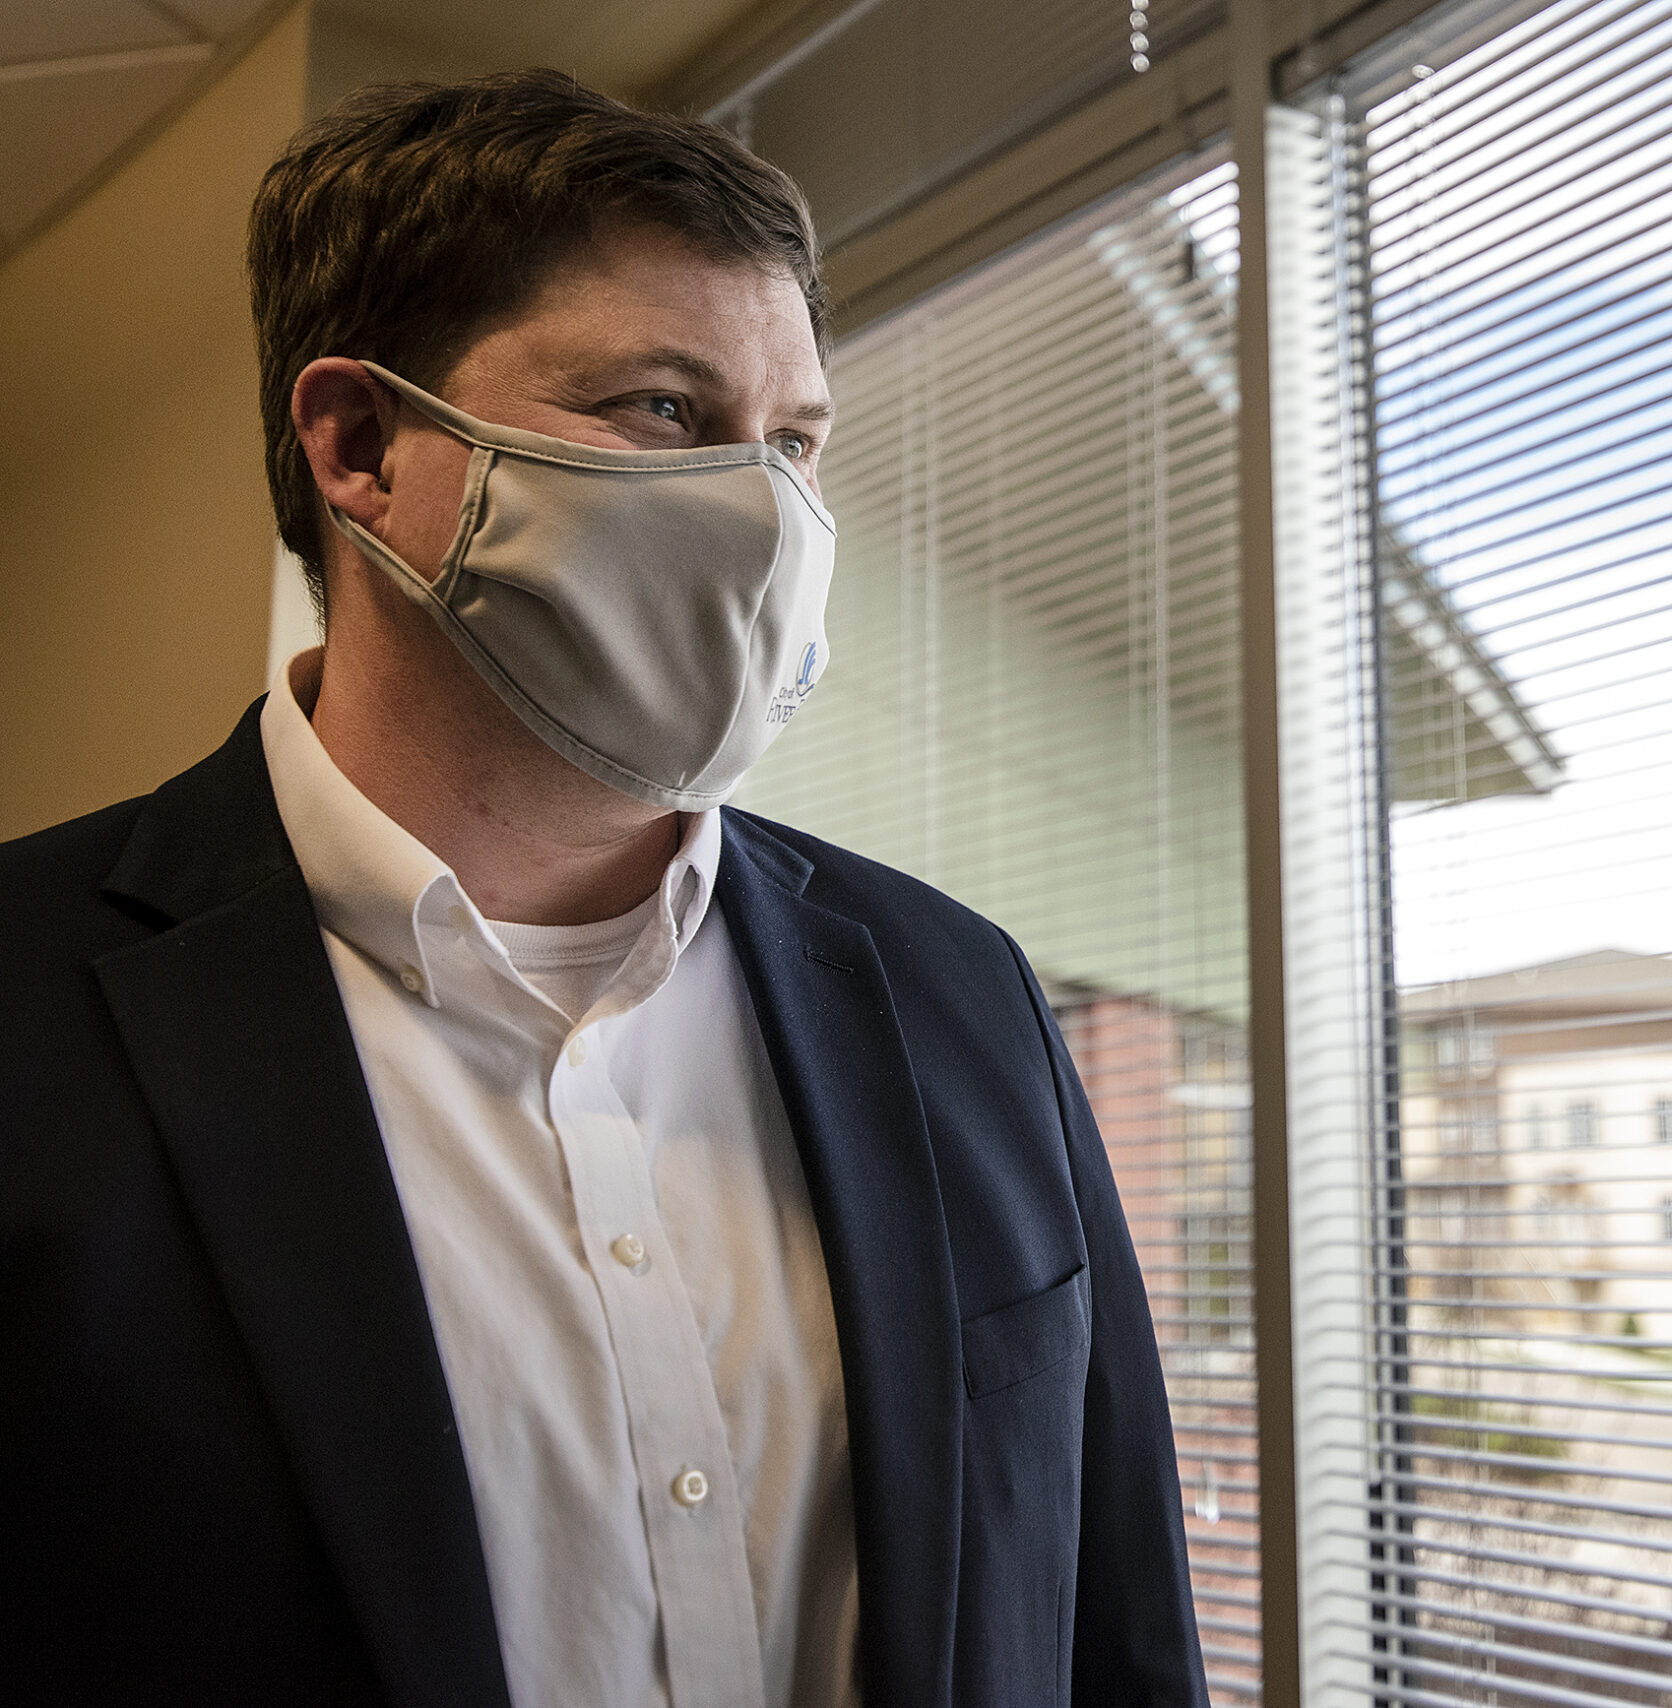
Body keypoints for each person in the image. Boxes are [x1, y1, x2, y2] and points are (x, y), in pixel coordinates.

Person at [0, 69, 1208, 1708]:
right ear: (360, 444)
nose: (767, 511)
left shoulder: (957, 989)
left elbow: (1114, 1629)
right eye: (665, 410)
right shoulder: (27, 1001)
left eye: (794, 441)